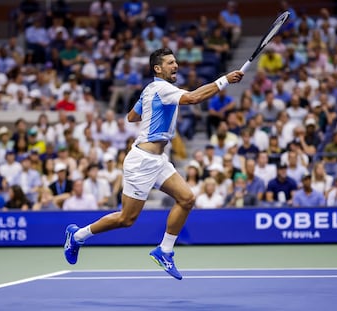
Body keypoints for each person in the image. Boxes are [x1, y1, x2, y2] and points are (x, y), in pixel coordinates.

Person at [63, 48, 244, 280]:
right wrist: (224, 80)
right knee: (126, 219)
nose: (175, 65)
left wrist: (150, 108)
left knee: (187, 198)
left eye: (175, 61)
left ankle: (164, 250)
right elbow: (194, 98)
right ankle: (77, 236)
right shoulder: (162, 88)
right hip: (141, 163)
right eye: (170, 63)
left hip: (159, 160)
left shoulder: (150, 89)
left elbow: (131, 117)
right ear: (158, 68)